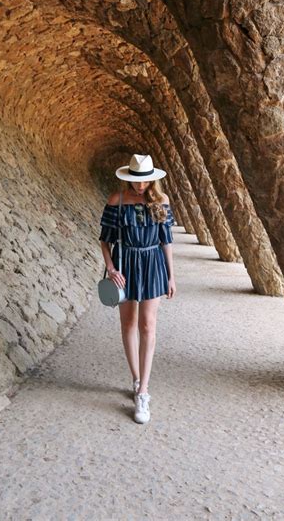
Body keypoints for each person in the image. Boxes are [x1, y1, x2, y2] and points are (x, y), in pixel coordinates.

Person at [99, 153, 177, 424]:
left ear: (152, 180)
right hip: (126, 264)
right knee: (128, 324)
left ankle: (144, 390)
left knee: (148, 325)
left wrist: (171, 275)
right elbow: (105, 240)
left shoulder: (162, 202)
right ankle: (135, 379)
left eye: (144, 181)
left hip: (153, 262)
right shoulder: (116, 201)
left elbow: (166, 240)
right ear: (128, 178)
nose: (140, 186)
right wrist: (111, 269)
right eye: (136, 181)